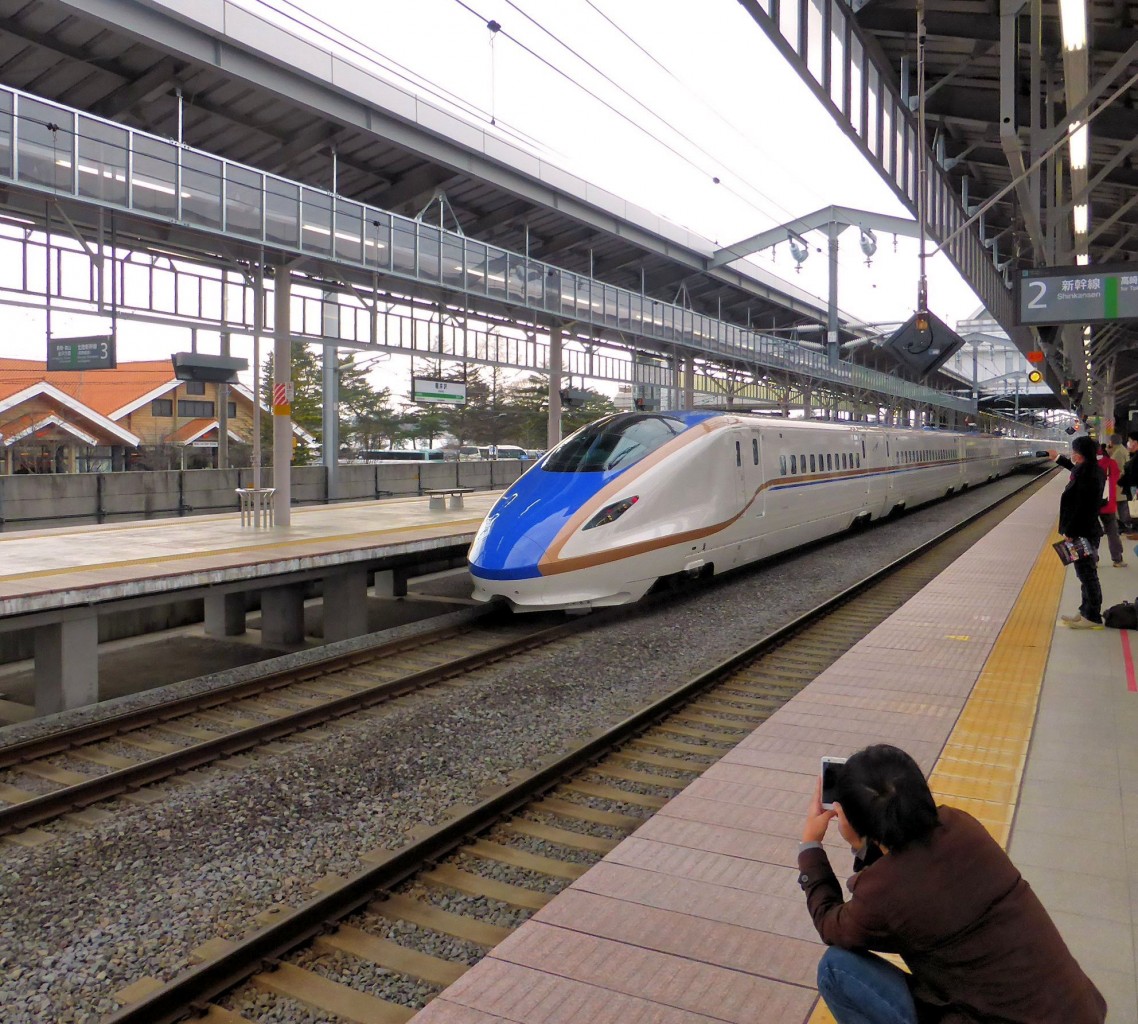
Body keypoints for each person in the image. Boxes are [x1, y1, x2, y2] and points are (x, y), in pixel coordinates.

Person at [799, 744, 1107, 1024]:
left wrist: (811, 846)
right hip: (1079, 1010)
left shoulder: (884, 894)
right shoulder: (962, 825)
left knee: (835, 968)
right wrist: (867, 840)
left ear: (854, 822)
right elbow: (908, 868)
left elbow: (831, 924)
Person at [1051, 434, 1106, 628]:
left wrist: (1071, 531)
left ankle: (1092, 616)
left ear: (1080, 454)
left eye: (1074, 451)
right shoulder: (1093, 470)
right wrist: (1059, 459)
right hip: (1088, 530)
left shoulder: (1086, 474)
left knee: (1087, 573)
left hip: (1082, 531)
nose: (1072, 454)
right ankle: (1085, 610)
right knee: (1084, 572)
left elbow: (1081, 507)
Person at [1096, 443, 1126, 567]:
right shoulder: (1111, 463)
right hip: (1108, 505)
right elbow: (1117, 479)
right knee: (1112, 532)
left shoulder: (1088, 465)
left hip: (1092, 505)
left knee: (1092, 534)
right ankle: (1117, 559)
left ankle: (1093, 560)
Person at [1122, 431, 1138, 539]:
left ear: (1135, 443)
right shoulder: (1134, 456)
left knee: (1136, 508)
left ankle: (1136, 529)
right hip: (1132, 486)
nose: (1128, 443)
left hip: (1135, 487)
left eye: (1130, 441)